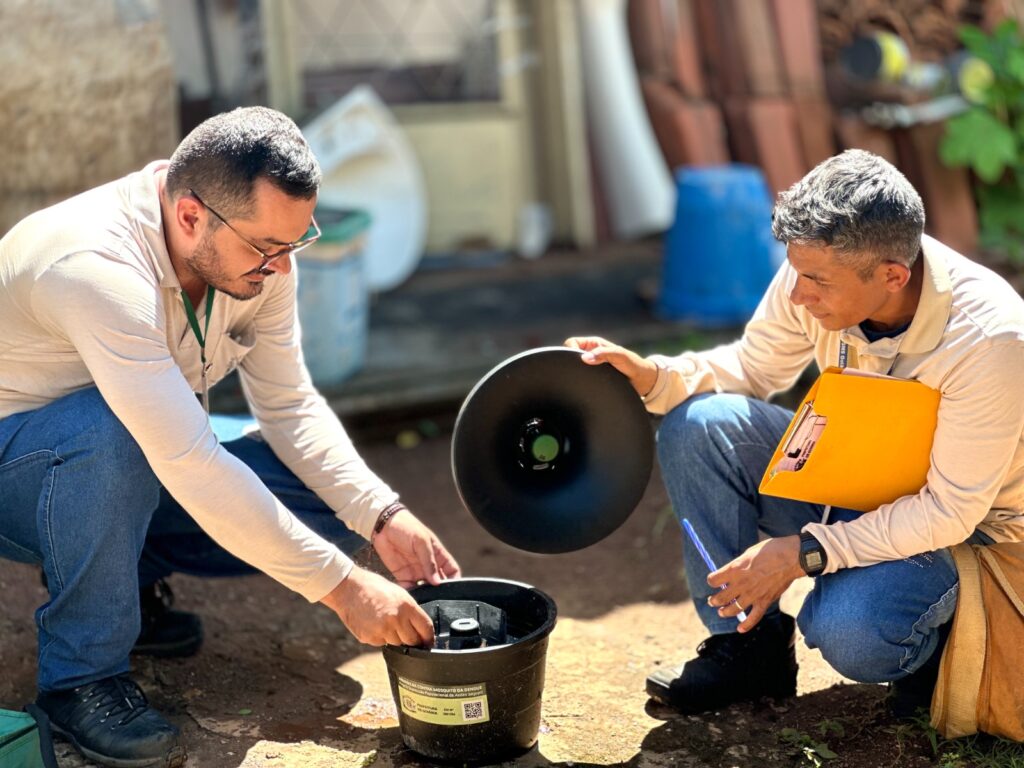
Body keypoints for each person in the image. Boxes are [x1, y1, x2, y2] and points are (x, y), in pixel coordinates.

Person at [0, 106, 461, 767]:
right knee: (115, 432)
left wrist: (381, 513)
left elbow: (290, 407)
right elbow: (189, 460)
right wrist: (345, 589)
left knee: (319, 500)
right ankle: (81, 677)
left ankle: (124, 582)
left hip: (132, 451)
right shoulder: (95, 266)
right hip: (22, 467)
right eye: (267, 248)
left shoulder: (258, 255)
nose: (282, 269)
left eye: (295, 244)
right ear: (191, 216)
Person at [566, 149, 1024, 717]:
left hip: (964, 531)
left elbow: (950, 510)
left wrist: (805, 552)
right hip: (856, 480)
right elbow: (753, 368)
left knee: (851, 631)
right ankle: (748, 648)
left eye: (816, 282)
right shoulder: (817, 266)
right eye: (796, 271)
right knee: (701, 426)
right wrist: (654, 376)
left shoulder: (990, 340)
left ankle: (936, 649)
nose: (797, 295)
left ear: (892, 276)